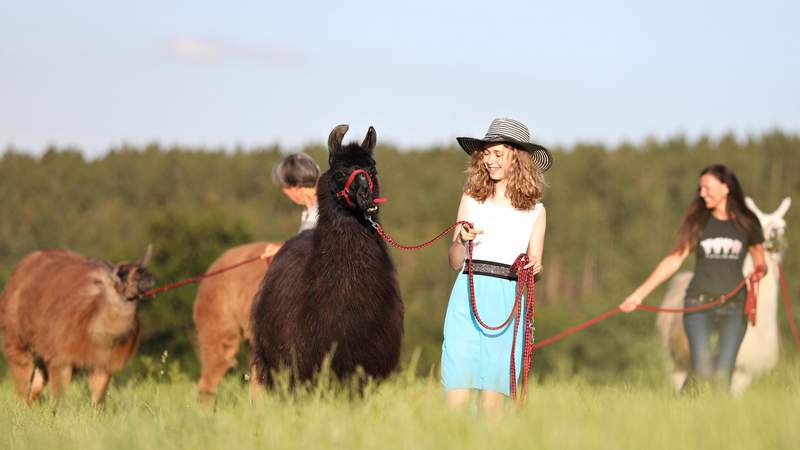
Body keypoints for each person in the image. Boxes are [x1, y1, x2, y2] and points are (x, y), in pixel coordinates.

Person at [620, 164, 766, 390]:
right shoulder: (699, 222)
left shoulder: (747, 223)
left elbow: (760, 259)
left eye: (707, 188)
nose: (702, 193)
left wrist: (759, 271)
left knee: (723, 375)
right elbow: (674, 260)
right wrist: (639, 295)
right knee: (702, 370)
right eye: (700, 188)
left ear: (726, 187)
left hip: (735, 308)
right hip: (698, 305)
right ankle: (682, 413)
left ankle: (720, 423)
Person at [441, 118, 552, 414]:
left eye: (497, 154)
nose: (489, 160)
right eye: (486, 154)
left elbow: (536, 264)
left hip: (507, 300)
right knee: (457, 389)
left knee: (493, 402)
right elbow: (454, 262)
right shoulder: (471, 197)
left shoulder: (536, 211)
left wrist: (535, 268)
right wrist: (461, 242)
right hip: (469, 291)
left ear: (516, 156)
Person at [260, 153, 321, 260]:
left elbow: (312, 249)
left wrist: (283, 250)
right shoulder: (317, 207)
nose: (284, 192)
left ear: (295, 187)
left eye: (285, 187)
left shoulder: (321, 208)